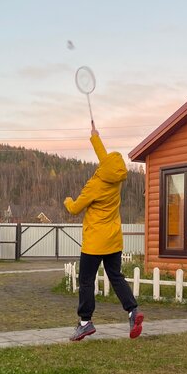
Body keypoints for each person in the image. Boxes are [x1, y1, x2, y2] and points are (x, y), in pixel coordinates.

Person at [64, 124, 143, 341]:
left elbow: (74, 209)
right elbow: (106, 160)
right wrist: (95, 137)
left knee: (87, 280)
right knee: (116, 276)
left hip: (94, 242)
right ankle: (132, 311)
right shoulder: (115, 179)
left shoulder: (95, 185)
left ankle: (85, 322)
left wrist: (67, 200)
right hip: (114, 240)